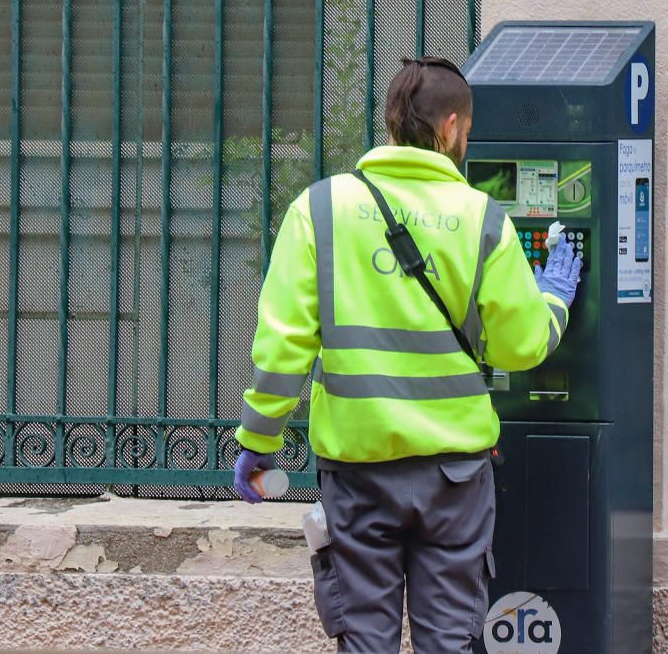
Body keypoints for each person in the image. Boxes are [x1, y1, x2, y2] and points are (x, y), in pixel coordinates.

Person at [232, 56, 582, 653]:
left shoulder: (320, 210)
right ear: (450, 128)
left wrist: (259, 444)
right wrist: (554, 298)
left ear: (392, 126)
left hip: (358, 471)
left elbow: (283, 348)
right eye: (466, 133)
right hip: (456, 474)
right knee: (448, 640)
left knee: (365, 639)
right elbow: (522, 347)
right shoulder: (482, 219)